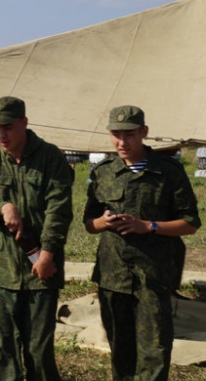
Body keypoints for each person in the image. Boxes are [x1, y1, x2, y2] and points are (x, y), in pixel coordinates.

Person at [83, 105, 200, 381]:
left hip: (153, 275)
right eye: (116, 134)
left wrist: (149, 226)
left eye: (130, 135)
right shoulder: (103, 172)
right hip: (113, 276)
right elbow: (89, 224)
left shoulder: (169, 172)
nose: (122, 142)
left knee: (154, 349)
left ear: (144, 132)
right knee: (120, 349)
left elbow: (191, 223)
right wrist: (105, 222)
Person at [0, 97, 74, 381]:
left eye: (8, 127)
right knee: (4, 347)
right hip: (3, 270)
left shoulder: (50, 157)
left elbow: (59, 209)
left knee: (39, 348)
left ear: (24, 123)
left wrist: (48, 252)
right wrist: (1, 207)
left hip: (42, 267)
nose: (1, 135)